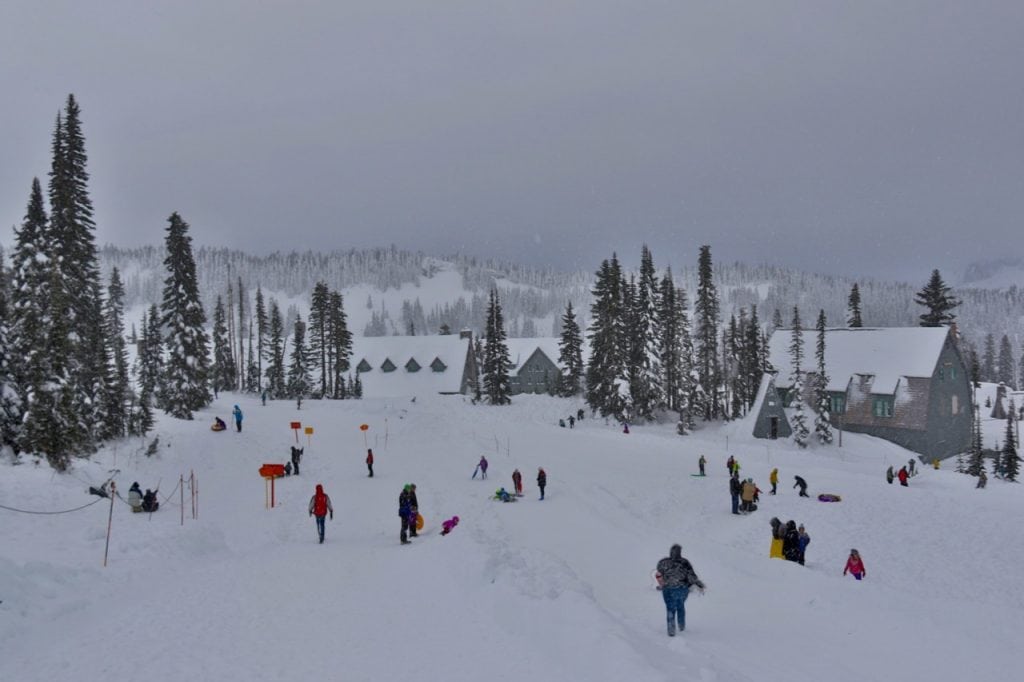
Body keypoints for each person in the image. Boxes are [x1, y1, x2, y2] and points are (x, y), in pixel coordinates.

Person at [654, 544, 705, 637]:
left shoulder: (663, 562)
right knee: (680, 606)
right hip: (682, 589)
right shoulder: (685, 562)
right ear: (680, 552)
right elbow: (692, 576)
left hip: (668, 589)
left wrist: (662, 584)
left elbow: (658, 574)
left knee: (670, 608)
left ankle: (671, 630)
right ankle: (682, 627)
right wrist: (699, 584)